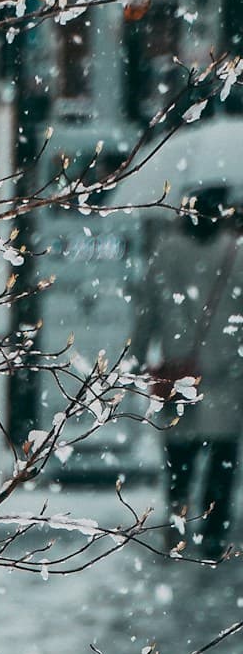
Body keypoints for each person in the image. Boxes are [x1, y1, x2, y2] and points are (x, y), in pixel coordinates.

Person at [135, 185, 243, 561]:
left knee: (180, 458)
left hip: (180, 374)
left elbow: (147, 309)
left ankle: (178, 526)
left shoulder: (166, 251)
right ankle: (214, 534)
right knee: (222, 461)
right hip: (228, 376)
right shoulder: (237, 253)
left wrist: (135, 353)